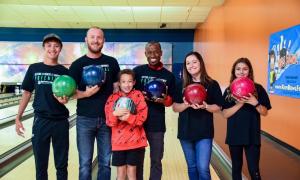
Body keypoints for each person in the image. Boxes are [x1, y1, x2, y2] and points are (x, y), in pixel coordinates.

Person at [15, 33, 70, 180]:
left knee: (62, 164)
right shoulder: (34, 68)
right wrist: (18, 117)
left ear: (60, 49)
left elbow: (68, 95)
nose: (53, 48)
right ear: (44, 48)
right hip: (41, 121)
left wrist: (66, 100)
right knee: (41, 165)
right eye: (49, 45)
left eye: (56, 46)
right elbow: (26, 93)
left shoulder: (65, 72)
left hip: (61, 122)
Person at [69, 26, 120, 180]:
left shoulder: (111, 62)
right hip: (85, 119)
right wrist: (86, 93)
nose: (95, 40)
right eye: (92, 37)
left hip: (107, 120)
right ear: (86, 40)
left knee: (105, 163)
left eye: (99, 37)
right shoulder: (78, 64)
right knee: (85, 163)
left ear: (103, 40)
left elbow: (117, 88)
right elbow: (71, 93)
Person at [172, 51, 223, 180]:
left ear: (201, 63)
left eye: (194, 62)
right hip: (185, 131)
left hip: (204, 132)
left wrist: (206, 106)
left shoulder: (212, 84)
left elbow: (218, 107)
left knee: (203, 168)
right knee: (192, 167)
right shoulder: (181, 84)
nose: (191, 65)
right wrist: (186, 105)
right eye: (188, 63)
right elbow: (175, 107)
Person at [222, 57, 271, 180]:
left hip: (252, 136)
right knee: (236, 169)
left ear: (249, 71)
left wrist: (255, 103)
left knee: (254, 170)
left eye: (245, 69)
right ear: (234, 72)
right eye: (238, 69)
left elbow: (265, 112)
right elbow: (225, 114)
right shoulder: (229, 91)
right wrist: (240, 103)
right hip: (234, 136)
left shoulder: (258, 89)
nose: (241, 72)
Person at [133, 41, 176, 180]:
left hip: (157, 124)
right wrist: (140, 97)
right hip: (138, 122)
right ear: (145, 54)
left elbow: (171, 102)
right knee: (137, 159)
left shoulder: (168, 76)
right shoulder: (138, 72)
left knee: (156, 160)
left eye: (156, 51)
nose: (153, 55)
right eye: (150, 52)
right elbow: (129, 94)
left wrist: (164, 100)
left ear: (161, 53)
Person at [105, 69, 148, 180]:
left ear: (134, 82)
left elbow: (142, 118)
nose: (126, 84)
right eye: (123, 82)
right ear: (119, 83)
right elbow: (109, 121)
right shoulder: (112, 98)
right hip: (118, 142)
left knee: (132, 172)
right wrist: (115, 114)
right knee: (120, 173)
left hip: (135, 142)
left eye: (129, 81)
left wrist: (129, 117)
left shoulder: (138, 95)